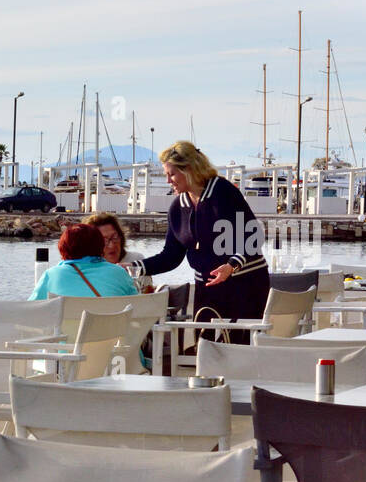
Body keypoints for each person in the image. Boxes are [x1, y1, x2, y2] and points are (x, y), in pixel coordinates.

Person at [141, 141, 269, 341]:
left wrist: (231, 265)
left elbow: (254, 236)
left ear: (189, 170)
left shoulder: (222, 192)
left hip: (245, 285)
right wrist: (134, 267)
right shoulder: (178, 206)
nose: (168, 181)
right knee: (204, 348)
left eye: (172, 174)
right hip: (207, 289)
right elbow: (170, 257)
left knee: (237, 350)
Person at [29, 223, 137, 300]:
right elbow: (138, 309)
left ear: (63, 248)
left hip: (66, 331)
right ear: (100, 246)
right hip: (112, 331)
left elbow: (32, 310)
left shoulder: (52, 275)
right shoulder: (119, 273)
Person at [84, 211, 152, 293]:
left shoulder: (135, 261)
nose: (112, 245)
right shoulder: (85, 267)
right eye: (104, 241)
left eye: (115, 237)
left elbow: (148, 294)